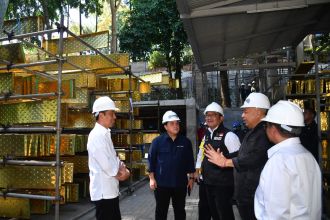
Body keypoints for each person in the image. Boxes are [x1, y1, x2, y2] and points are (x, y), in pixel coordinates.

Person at [205, 93, 271, 220]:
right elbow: (243, 153)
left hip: (252, 197)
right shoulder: (255, 131)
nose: (242, 115)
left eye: (246, 111)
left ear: (258, 112)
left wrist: (225, 161)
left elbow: (252, 158)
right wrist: (226, 157)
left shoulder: (262, 133)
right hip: (246, 197)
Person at [255, 100, 322, 219]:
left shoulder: (279, 161)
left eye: (266, 125)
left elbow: (276, 214)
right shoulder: (308, 156)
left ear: (274, 128)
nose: (266, 129)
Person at [87, 96, 130, 220]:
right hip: (104, 193)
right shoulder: (97, 136)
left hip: (109, 191)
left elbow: (114, 159)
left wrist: (121, 168)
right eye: (112, 114)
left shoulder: (105, 134)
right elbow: (108, 167)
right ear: (101, 115)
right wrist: (124, 172)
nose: (114, 117)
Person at [148, 110, 195, 220]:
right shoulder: (157, 142)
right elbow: (151, 160)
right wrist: (152, 179)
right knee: (161, 211)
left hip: (180, 184)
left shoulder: (185, 142)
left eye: (177, 123)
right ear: (165, 126)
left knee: (180, 211)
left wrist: (191, 178)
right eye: (172, 123)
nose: (176, 126)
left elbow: (190, 161)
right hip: (161, 184)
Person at [201, 102, 241, 220]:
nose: (209, 117)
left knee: (225, 215)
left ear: (221, 118)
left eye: (213, 115)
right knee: (215, 215)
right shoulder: (207, 134)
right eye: (207, 115)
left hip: (223, 186)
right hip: (209, 184)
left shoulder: (229, 136)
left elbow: (238, 160)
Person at [195, 131, 211, 220]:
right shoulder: (206, 137)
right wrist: (197, 171)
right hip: (204, 178)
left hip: (218, 180)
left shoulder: (229, 136)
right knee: (203, 207)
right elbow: (200, 154)